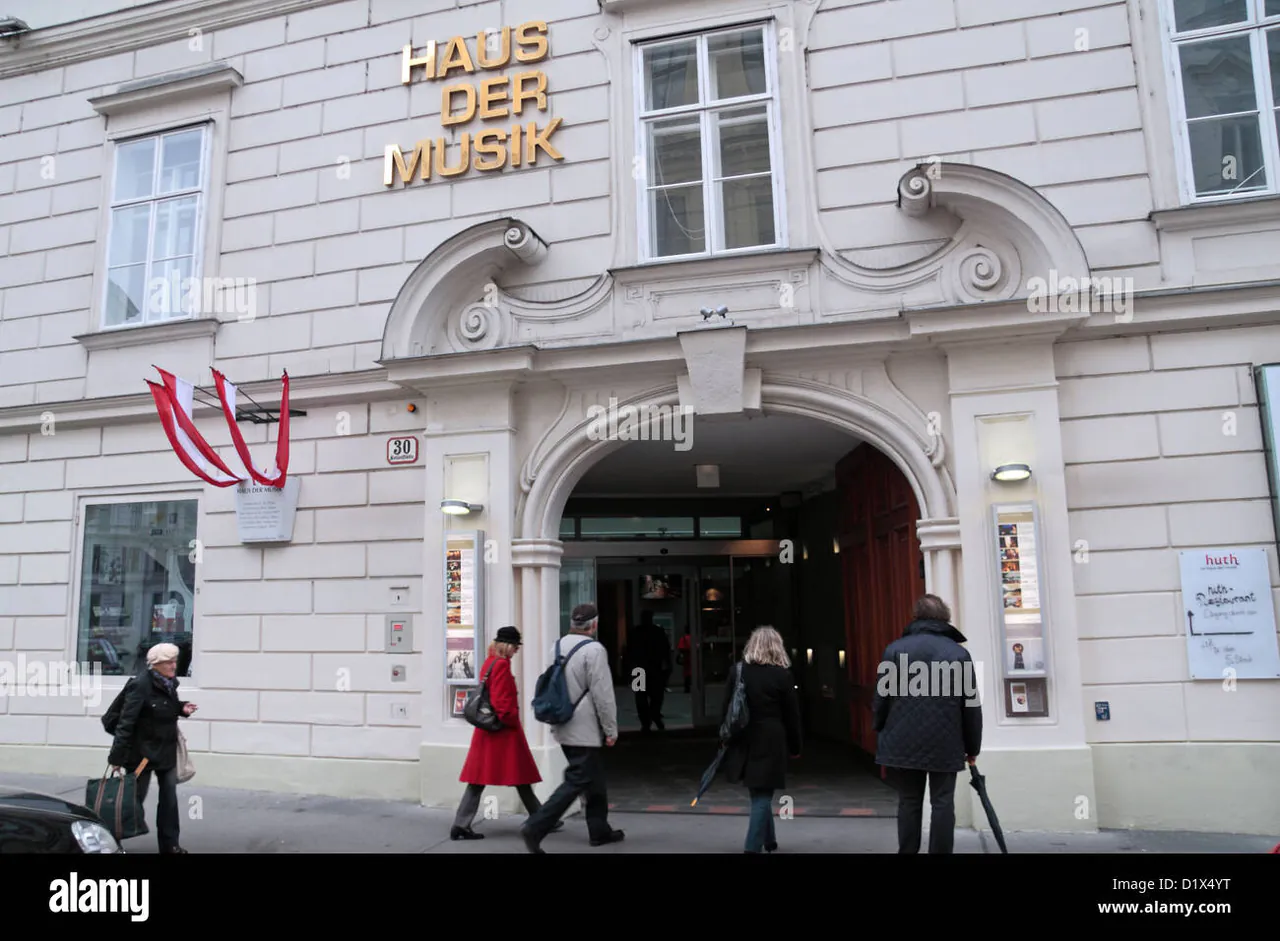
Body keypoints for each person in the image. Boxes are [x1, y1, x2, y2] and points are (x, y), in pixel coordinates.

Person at [872, 593, 982, 854]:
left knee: (909, 800)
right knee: (943, 802)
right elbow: (971, 706)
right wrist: (972, 747)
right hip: (946, 742)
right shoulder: (959, 654)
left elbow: (881, 698)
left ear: (915, 618)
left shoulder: (894, 650)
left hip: (903, 740)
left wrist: (879, 728)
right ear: (945, 618)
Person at [520, 602, 623, 853]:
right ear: (594, 624)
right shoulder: (595, 650)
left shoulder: (557, 645)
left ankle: (599, 830)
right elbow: (603, 694)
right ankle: (535, 826)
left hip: (562, 722)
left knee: (593, 779)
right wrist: (611, 729)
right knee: (578, 779)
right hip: (585, 729)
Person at [450, 626, 562, 840]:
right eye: (516, 646)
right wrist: (511, 719)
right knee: (516, 775)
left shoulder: (489, 662)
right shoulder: (501, 665)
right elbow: (501, 702)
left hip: (488, 732)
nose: (517, 650)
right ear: (508, 646)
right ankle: (541, 820)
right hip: (502, 732)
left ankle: (461, 824)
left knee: (493, 778)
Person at [107, 642, 197, 853]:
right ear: (156, 664)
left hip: (166, 752)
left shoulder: (169, 683)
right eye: (169, 662)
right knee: (130, 802)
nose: (174, 666)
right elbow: (126, 722)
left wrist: (181, 708)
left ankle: (170, 845)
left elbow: (165, 708)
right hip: (142, 755)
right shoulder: (140, 685)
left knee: (169, 802)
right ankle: (108, 842)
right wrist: (116, 758)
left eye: (175, 661)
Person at [721, 626, 801, 854]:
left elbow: (726, 708)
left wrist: (723, 736)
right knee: (763, 794)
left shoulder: (737, 671)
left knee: (758, 792)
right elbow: (792, 715)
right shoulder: (782, 675)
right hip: (771, 739)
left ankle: (770, 840)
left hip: (744, 737)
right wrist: (796, 746)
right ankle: (752, 847)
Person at [628, 610, 672, 732]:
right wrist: (668, 666)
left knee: (640, 696)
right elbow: (666, 650)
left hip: (639, 668)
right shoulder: (657, 631)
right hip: (654, 668)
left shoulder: (635, 632)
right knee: (656, 695)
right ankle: (655, 715)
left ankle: (645, 722)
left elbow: (629, 652)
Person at [676, 628, 692, 693]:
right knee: (692, 672)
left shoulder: (683, 638)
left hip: (686, 657)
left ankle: (687, 687)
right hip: (693, 657)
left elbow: (681, 648)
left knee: (686, 673)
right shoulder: (694, 638)